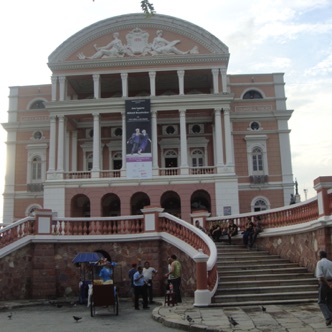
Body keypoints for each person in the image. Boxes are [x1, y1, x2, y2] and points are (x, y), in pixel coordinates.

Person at [315, 250, 332, 326]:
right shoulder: (330, 263)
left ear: (320, 256)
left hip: (324, 283)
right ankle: (329, 317)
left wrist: (328, 284)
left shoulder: (320, 263)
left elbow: (320, 276)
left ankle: (328, 317)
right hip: (331, 282)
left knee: (321, 301)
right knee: (329, 301)